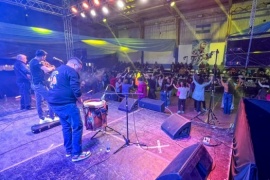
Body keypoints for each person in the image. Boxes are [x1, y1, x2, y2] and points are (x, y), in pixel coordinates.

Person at [48, 57, 91, 162]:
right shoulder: (71, 71)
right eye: (79, 68)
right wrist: (80, 99)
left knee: (66, 126)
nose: (79, 71)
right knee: (77, 126)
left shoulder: (57, 70)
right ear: (74, 65)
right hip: (66, 104)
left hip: (54, 103)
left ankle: (69, 151)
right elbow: (75, 90)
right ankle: (77, 154)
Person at [29, 50, 56, 124]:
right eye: (44, 56)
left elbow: (43, 71)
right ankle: (51, 117)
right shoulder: (36, 62)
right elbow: (47, 70)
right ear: (42, 56)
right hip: (39, 84)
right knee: (50, 98)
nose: (45, 58)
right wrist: (52, 67)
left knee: (38, 101)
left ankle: (42, 118)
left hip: (35, 84)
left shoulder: (32, 61)